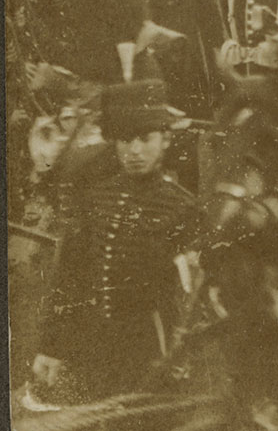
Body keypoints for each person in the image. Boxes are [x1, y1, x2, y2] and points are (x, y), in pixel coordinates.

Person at [31, 79, 198, 403]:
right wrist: (51, 346)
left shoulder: (183, 208)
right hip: (94, 346)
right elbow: (70, 272)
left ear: (165, 140)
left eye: (145, 139)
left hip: (151, 352)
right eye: (124, 140)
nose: (134, 151)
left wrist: (179, 355)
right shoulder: (96, 198)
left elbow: (190, 294)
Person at [140, 0, 224, 184]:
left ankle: (187, 199)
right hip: (152, 80)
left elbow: (214, 35)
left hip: (189, 82)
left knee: (187, 153)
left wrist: (215, 82)